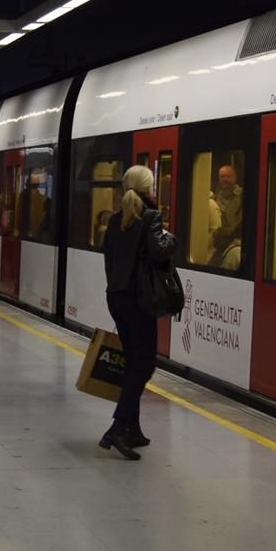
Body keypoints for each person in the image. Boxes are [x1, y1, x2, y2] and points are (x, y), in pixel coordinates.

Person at [100, 164, 175, 461]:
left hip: (116, 298)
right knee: (144, 365)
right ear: (147, 188)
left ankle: (133, 428)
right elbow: (160, 251)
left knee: (133, 360)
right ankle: (118, 427)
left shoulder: (116, 219)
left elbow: (108, 259)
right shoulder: (151, 216)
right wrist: (171, 238)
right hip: (139, 301)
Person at [208, 162, 245, 270]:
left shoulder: (243, 195)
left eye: (229, 176)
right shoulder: (216, 194)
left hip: (236, 241)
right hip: (220, 241)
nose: (225, 179)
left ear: (235, 178)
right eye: (222, 176)